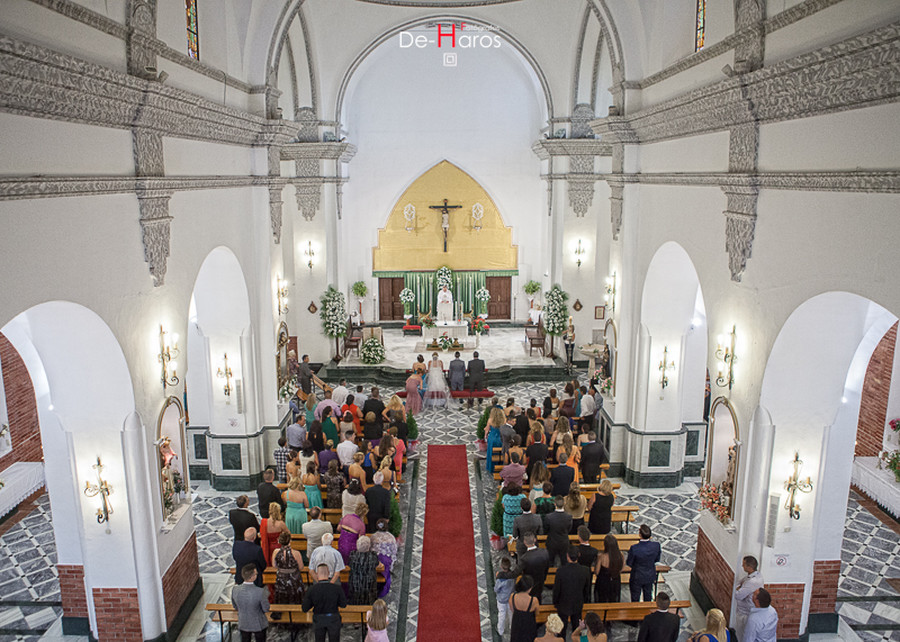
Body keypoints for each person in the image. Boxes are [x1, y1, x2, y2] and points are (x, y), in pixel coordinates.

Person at [302, 563, 348, 642]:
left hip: (318, 619)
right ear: (329, 572)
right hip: (333, 619)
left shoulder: (312, 589)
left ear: (317, 574)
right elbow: (343, 605)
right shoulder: (337, 588)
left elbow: (304, 608)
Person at [554, 546, 592, 637]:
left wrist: (555, 602)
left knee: (561, 629)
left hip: (563, 603)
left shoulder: (560, 571)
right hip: (577, 602)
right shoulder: (585, 570)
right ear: (579, 555)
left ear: (567, 556)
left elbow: (557, 589)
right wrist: (585, 599)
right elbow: (587, 589)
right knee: (577, 628)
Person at [232, 564, 269, 641]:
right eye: (256, 574)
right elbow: (266, 609)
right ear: (252, 577)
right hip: (258, 623)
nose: (257, 575)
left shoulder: (235, 590)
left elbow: (235, 606)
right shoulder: (260, 592)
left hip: (243, 621)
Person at [627, 524, 661, 602]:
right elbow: (657, 559)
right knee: (648, 596)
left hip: (637, 576)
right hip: (649, 575)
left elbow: (629, 563)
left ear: (640, 535)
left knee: (635, 597)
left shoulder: (634, 548)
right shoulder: (656, 546)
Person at [733, 555, 764, 639]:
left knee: (742, 635)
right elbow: (739, 583)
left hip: (745, 613)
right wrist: (740, 587)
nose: (742, 566)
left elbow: (738, 595)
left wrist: (739, 587)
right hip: (744, 611)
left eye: (744, 564)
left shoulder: (752, 581)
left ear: (749, 567)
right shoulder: (752, 576)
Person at [273, 531, 305, 606]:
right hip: (294, 579)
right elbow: (301, 567)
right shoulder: (296, 553)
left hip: (281, 579)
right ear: (290, 541)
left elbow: (274, 566)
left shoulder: (275, 552)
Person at [370, 518, 398, 597]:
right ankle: (383, 589)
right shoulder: (391, 537)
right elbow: (394, 551)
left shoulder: (373, 536)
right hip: (386, 561)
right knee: (386, 572)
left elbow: (370, 548)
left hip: (375, 560)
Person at [544, 495, 574, 567]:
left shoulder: (549, 517)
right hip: (564, 542)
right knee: (564, 561)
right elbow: (569, 529)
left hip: (552, 542)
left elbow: (546, 529)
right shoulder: (569, 517)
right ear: (564, 504)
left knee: (550, 561)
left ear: (555, 504)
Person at [348, 535, 379, 604]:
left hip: (356, 582)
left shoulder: (353, 555)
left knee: (355, 598)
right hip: (369, 583)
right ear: (369, 546)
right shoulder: (373, 556)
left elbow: (349, 564)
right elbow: (377, 564)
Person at [593, 533, 623, 603]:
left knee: (602, 599)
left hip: (603, 582)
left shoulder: (601, 556)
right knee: (613, 599)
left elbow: (597, 571)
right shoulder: (621, 555)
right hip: (615, 581)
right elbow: (621, 569)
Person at [509, 575, 539, 642]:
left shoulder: (512, 596)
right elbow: (537, 613)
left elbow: (512, 610)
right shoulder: (534, 600)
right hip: (529, 625)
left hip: (516, 623)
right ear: (530, 588)